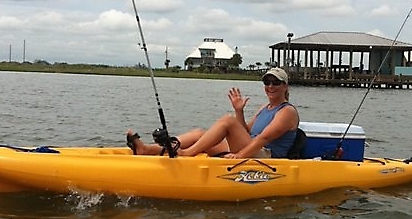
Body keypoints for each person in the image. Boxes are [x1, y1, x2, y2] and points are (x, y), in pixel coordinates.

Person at [127, 67, 299, 159]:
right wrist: (239, 111)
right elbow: (245, 132)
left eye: (276, 83)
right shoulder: (264, 108)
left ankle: (186, 153)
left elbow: (264, 138)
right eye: (267, 82)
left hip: (267, 156)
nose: (270, 86)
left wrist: (239, 156)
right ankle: (147, 149)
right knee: (199, 134)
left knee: (227, 121)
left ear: (285, 86)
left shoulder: (287, 111)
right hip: (252, 147)